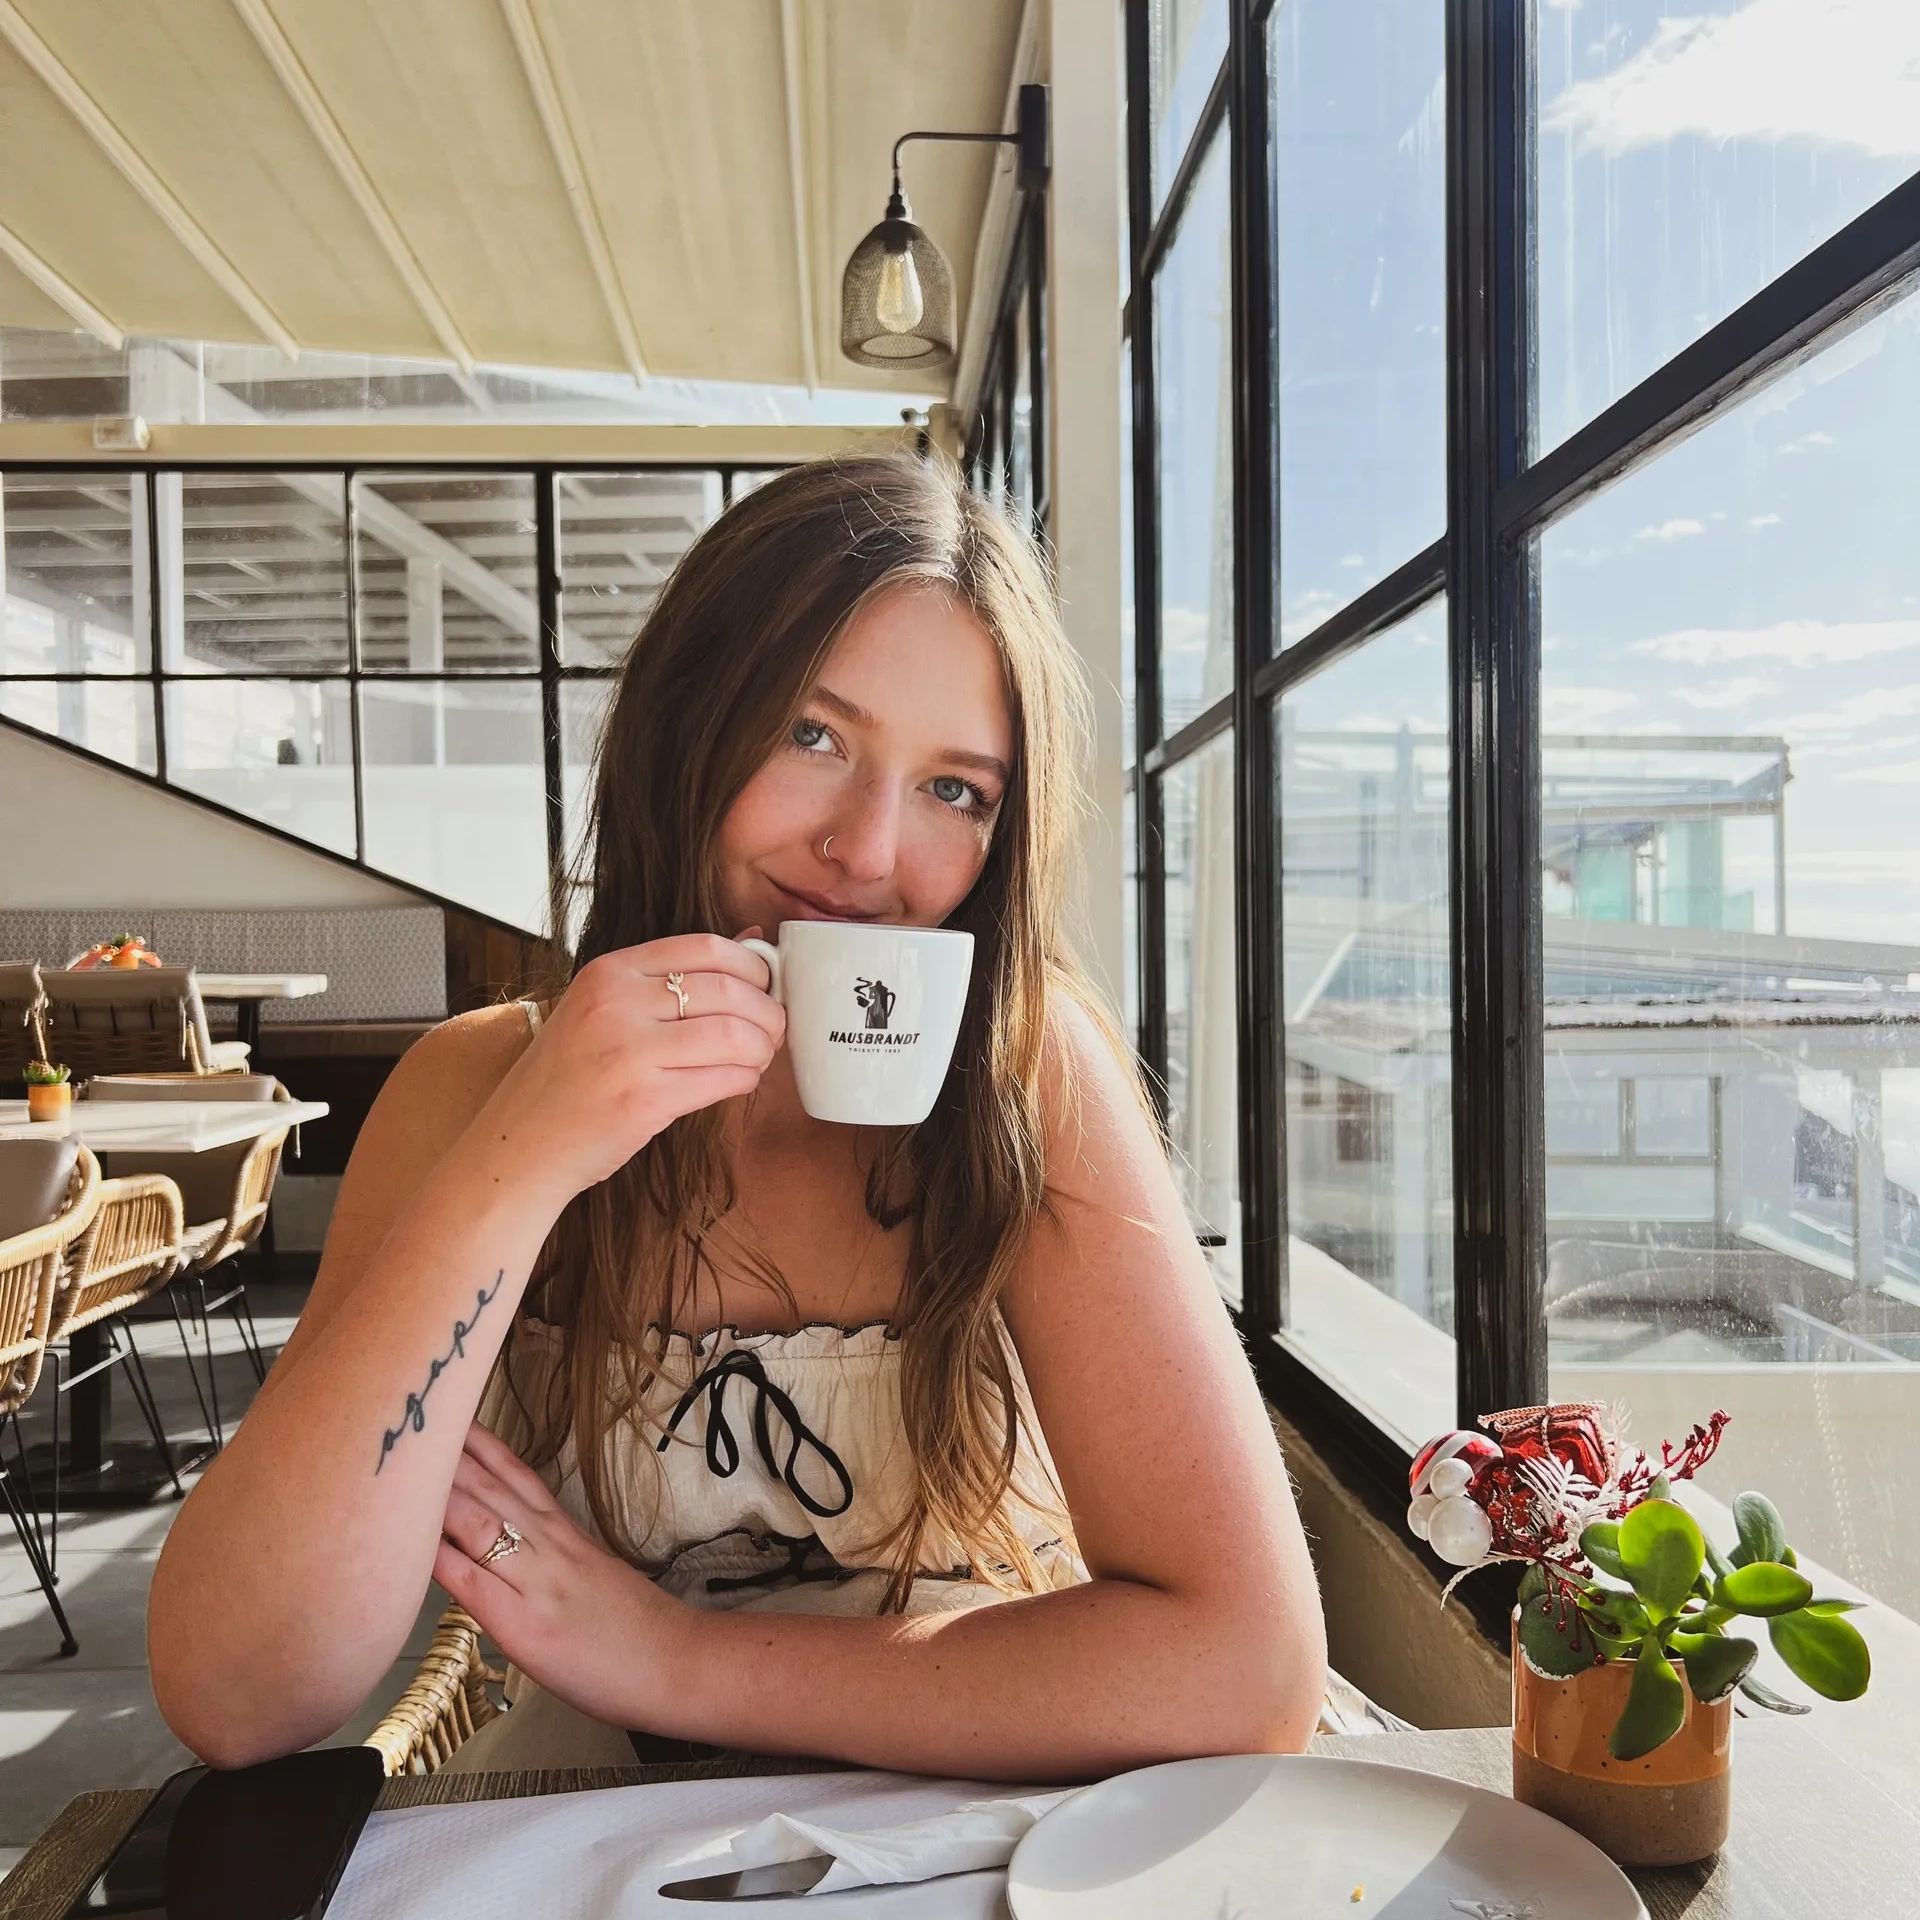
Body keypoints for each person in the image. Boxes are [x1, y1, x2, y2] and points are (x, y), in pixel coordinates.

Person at [149, 452, 1331, 1781]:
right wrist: (524, 1160)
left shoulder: (1025, 1079)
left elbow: (1248, 1671)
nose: (872, 854)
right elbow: (240, 1690)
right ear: (686, 722)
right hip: (625, 1837)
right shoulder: (477, 1089)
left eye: (957, 789)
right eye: (812, 735)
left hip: (1012, 1812)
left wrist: (674, 1660)